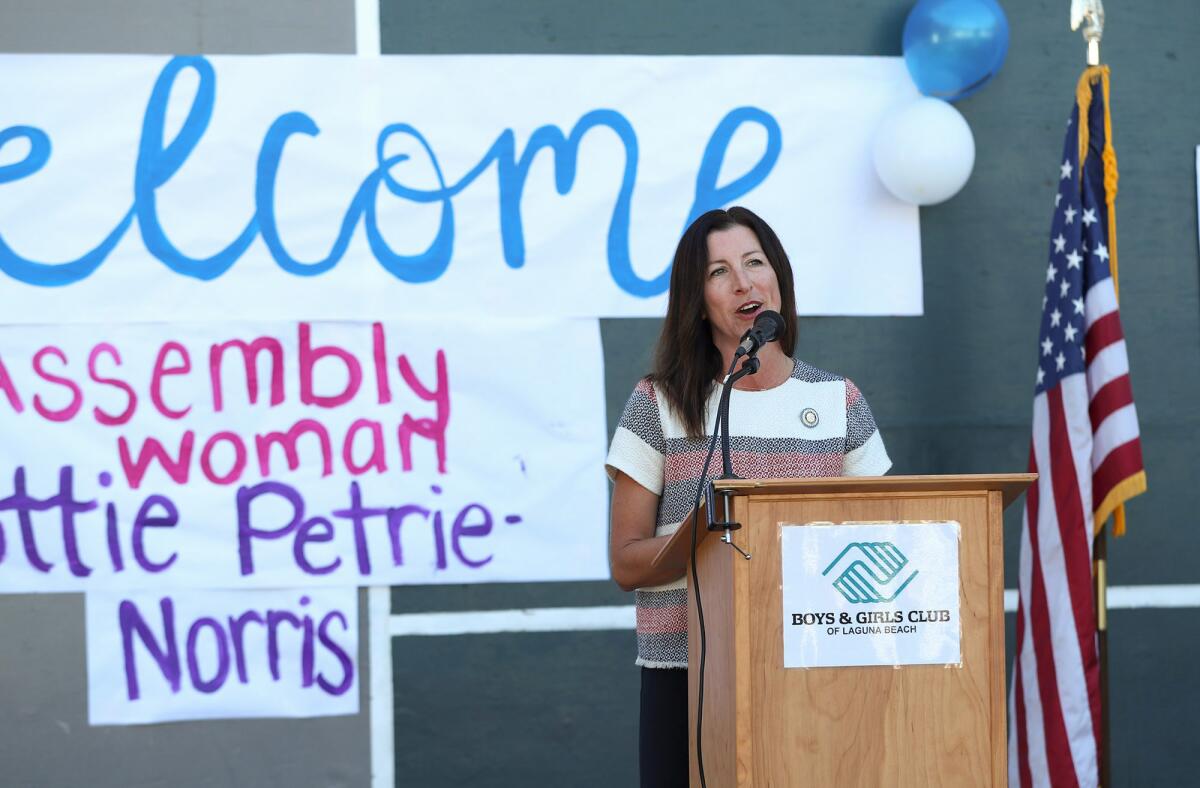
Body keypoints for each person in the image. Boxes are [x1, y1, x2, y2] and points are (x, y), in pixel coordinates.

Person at [605, 206, 891, 787]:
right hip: (686, 671)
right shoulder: (658, 401)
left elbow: (885, 540)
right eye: (718, 272)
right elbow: (625, 562)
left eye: (755, 262)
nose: (743, 282)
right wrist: (697, 534)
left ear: (778, 278)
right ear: (697, 297)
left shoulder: (840, 400)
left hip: (813, 669)